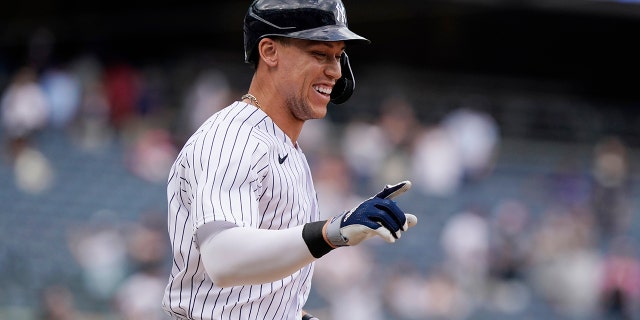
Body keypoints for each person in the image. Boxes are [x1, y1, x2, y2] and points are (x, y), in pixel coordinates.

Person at [161, 1, 418, 319]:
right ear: (269, 51)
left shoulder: (285, 147)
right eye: (319, 54)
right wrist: (331, 232)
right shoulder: (232, 139)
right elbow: (223, 259)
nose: (336, 71)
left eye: (338, 56)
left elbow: (250, 298)